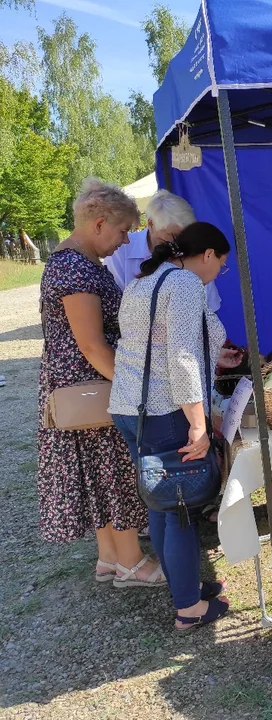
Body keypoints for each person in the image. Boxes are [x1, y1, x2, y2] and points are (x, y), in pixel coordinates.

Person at [110, 221, 243, 631]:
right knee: (180, 507)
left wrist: (213, 358)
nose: (218, 273)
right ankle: (188, 609)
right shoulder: (184, 284)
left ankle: (182, 587)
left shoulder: (144, 280)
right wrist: (199, 425)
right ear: (206, 255)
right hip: (164, 408)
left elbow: (155, 343)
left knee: (161, 502)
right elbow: (181, 359)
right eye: (220, 265)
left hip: (130, 407)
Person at [36, 177, 164, 588]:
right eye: (123, 230)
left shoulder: (74, 262)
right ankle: (131, 561)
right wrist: (133, 387)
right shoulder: (74, 267)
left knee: (98, 473)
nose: (126, 241)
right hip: (91, 385)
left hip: (83, 386)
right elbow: (91, 344)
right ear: (99, 223)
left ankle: (110, 557)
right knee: (113, 471)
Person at [105, 190, 222, 311]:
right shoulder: (121, 249)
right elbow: (115, 307)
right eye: (174, 236)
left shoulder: (195, 252)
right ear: (151, 224)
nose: (180, 243)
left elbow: (210, 309)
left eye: (186, 235)